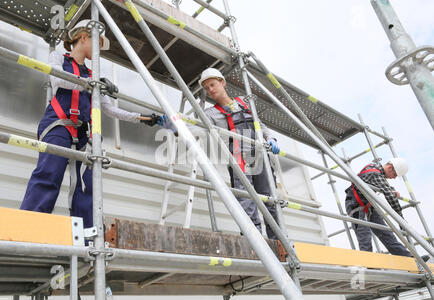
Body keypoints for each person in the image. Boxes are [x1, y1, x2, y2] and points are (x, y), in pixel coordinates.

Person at [20, 20, 158, 231]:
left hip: (84, 133)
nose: (99, 51)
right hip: (59, 125)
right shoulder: (59, 57)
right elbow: (59, 81)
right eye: (98, 42)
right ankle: (27, 229)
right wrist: (92, 83)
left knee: (85, 186)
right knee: (49, 174)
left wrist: (143, 117)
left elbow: (110, 110)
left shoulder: (93, 76)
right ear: (83, 37)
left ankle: (84, 237)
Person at [158, 68, 282, 239]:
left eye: (212, 85)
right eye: (207, 88)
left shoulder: (244, 103)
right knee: (247, 201)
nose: (210, 90)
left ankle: (279, 241)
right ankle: (254, 240)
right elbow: (198, 130)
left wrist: (271, 139)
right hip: (238, 159)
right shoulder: (210, 114)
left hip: (260, 156)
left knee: (269, 199)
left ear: (222, 83)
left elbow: (260, 125)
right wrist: (176, 129)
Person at [344, 158, 412, 257]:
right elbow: (391, 200)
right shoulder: (375, 173)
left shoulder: (376, 170)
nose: (394, 178)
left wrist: (391, 190)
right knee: (364, 234)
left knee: (385, 232)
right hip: (356, 204)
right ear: (390, 168)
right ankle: (369, 264)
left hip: (367, 203)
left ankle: (408, 258)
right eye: (395, 175)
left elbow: (381, 184)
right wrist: (401, 220)